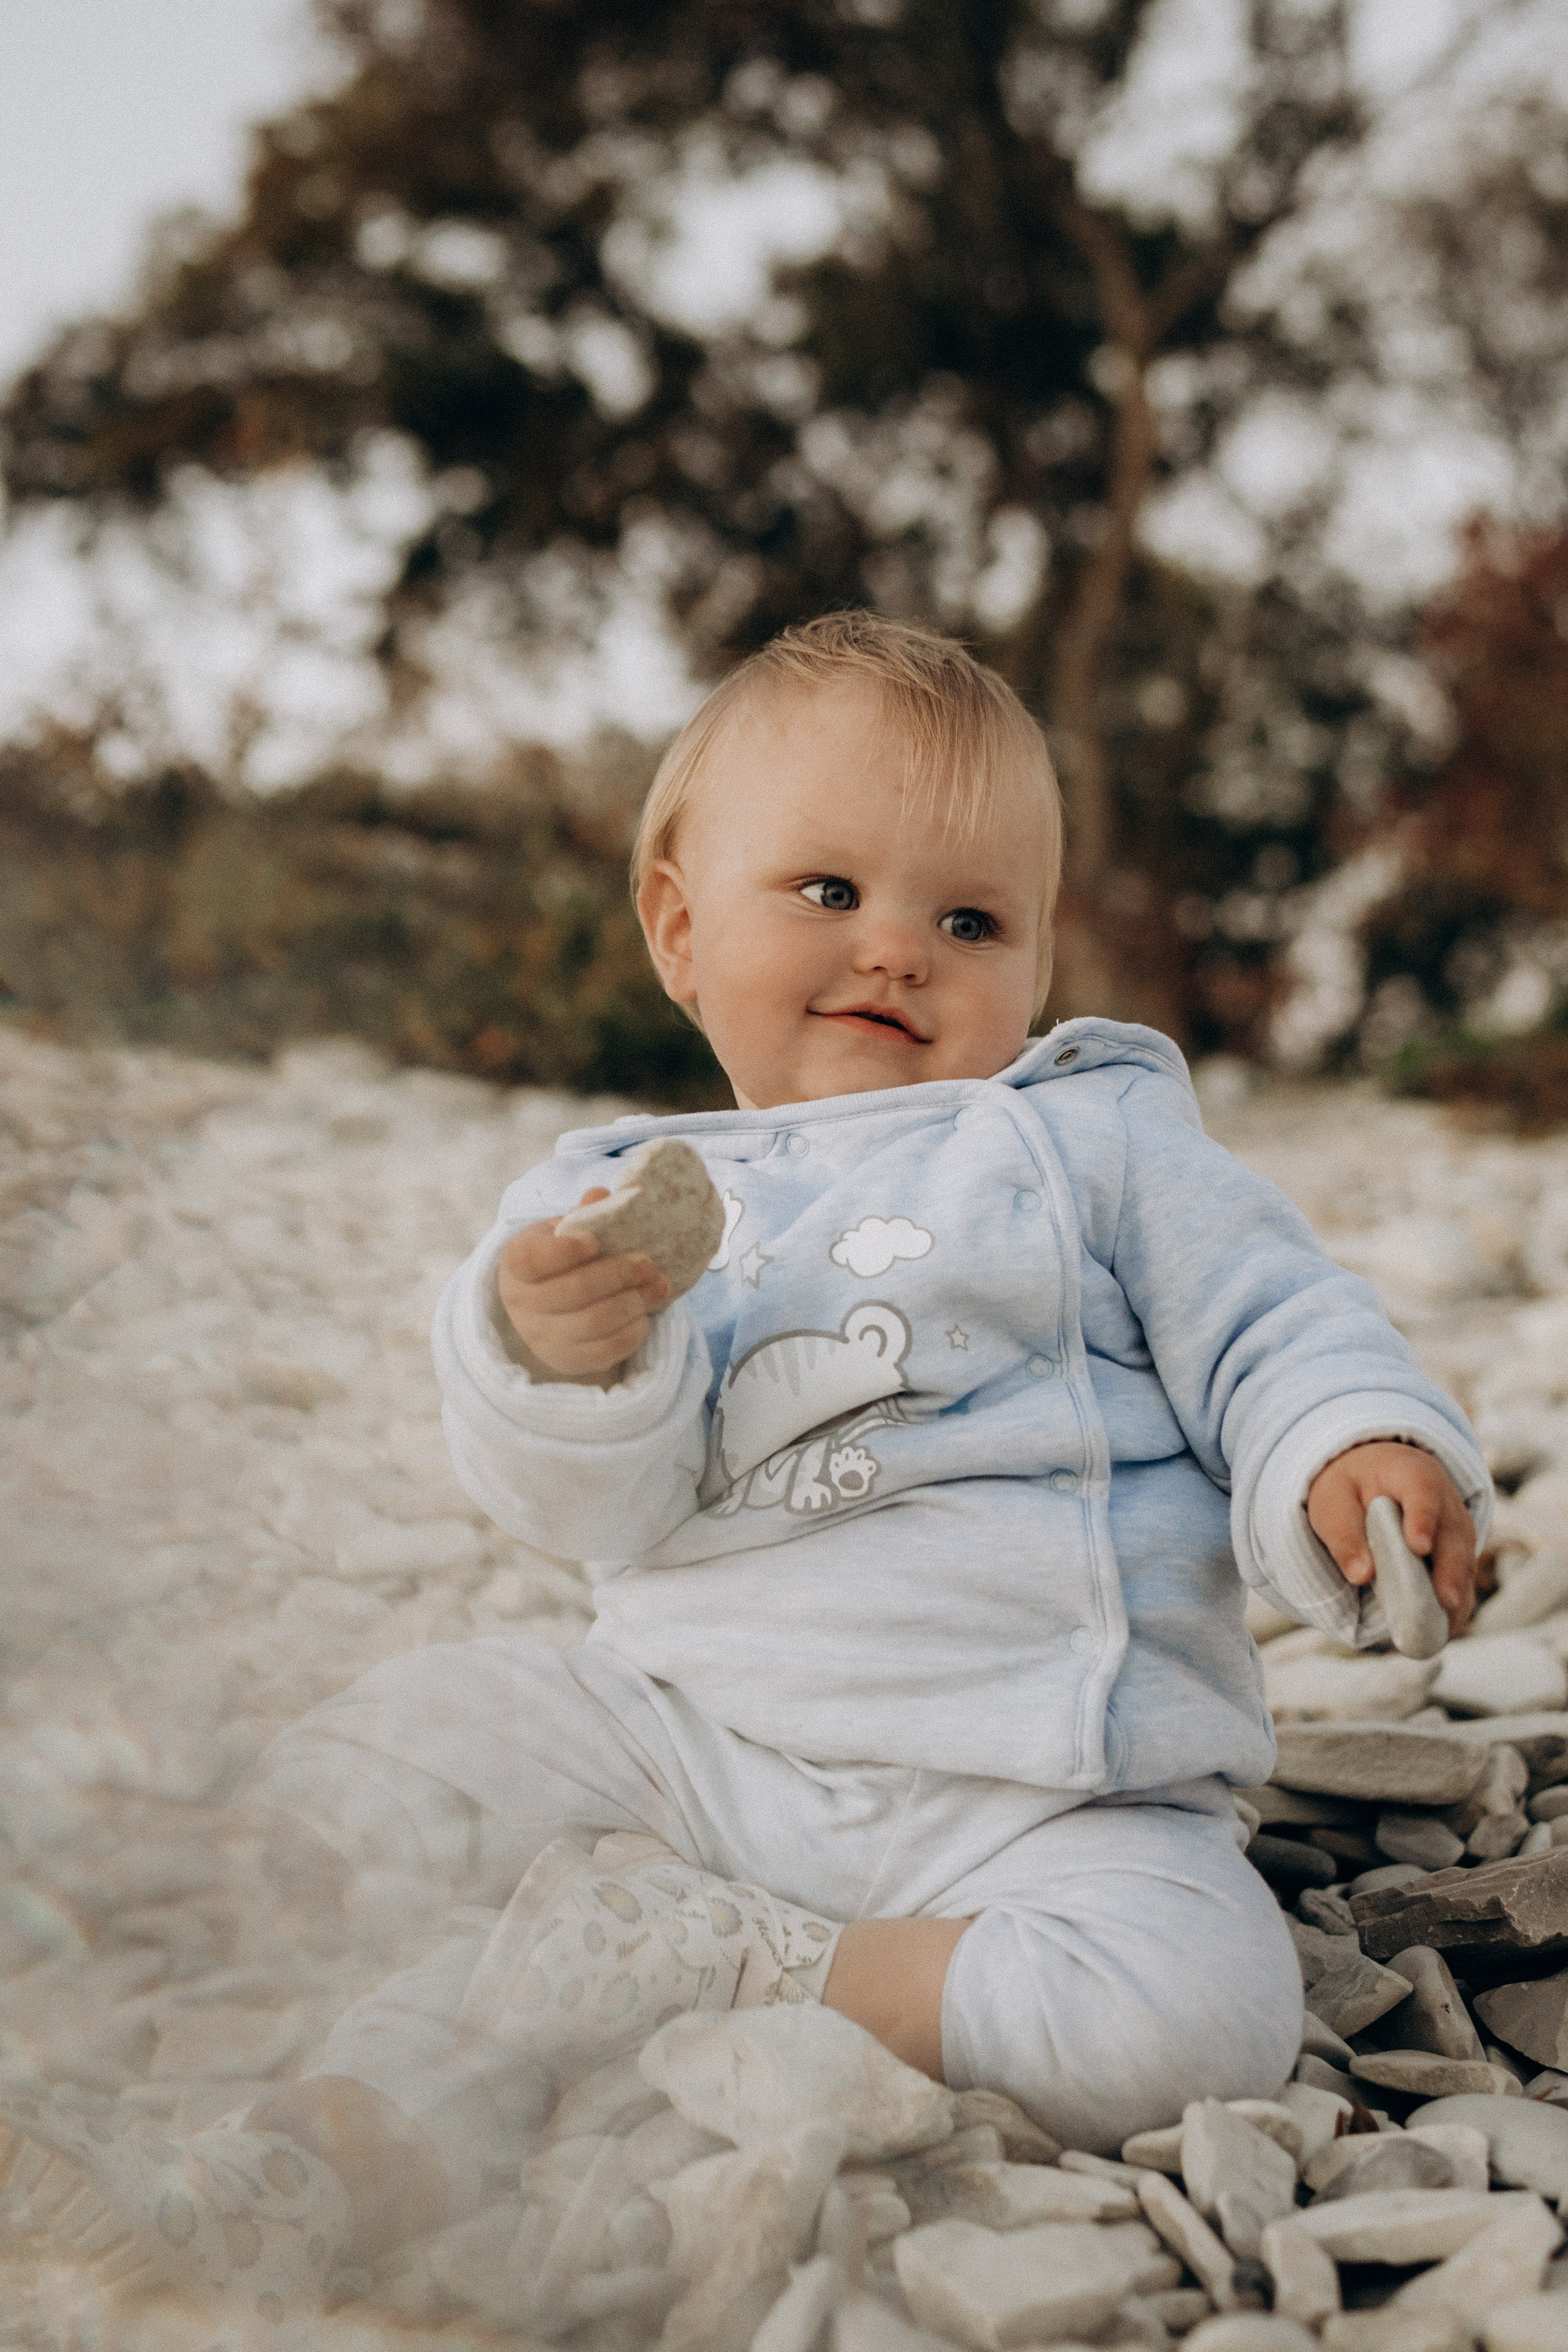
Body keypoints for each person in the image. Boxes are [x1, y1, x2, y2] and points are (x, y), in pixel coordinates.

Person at [2, 614, 1487, 2319]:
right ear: (679, 925)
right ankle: (270, 2181)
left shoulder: (1092, 1135)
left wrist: (1352, 1443)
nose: (901, 954)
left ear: (1041, 958)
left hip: (1038, 1794)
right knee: (401, 1755)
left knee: (1201, 2008)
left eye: (971, 919)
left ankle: (745, 1967)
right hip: (696, 1749)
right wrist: (563, 1359)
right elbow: (588, 1509)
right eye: (831, 893)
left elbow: (1273, 1319)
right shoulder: (616, 1196)